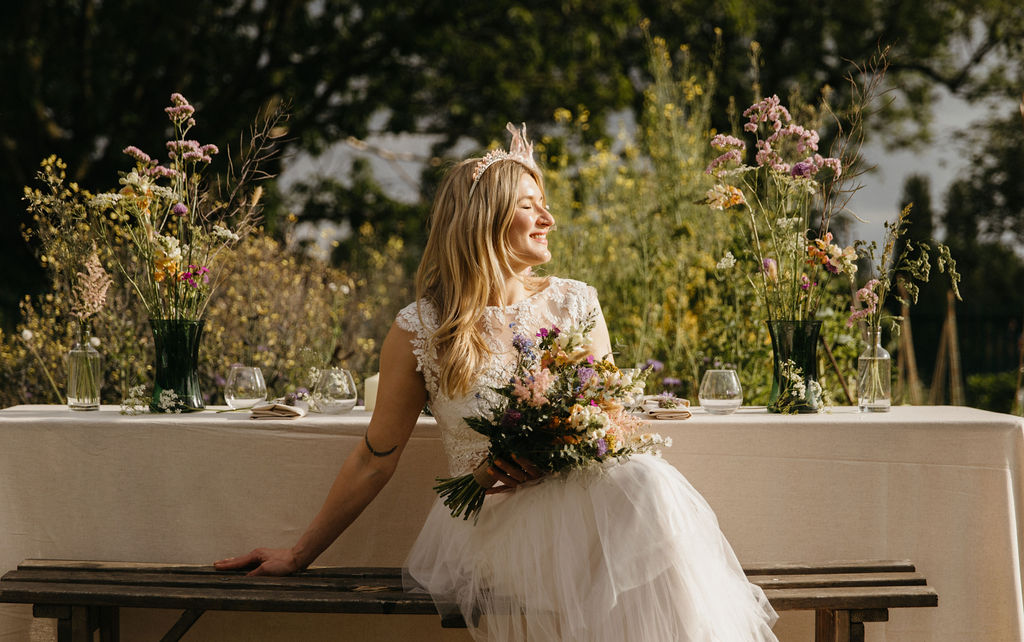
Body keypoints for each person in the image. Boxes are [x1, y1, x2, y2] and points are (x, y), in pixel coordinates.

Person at [216, 123, 778, 641]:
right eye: (529, 206)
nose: (548, 219)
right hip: (497, 520)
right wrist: (299, 554)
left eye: (546, 206)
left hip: (588, 505)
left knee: (646, 485)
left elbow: (611, 420)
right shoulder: (423, 327)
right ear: (485, 218)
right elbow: (374, 457)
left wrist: (566, 443)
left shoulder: (575, 302)